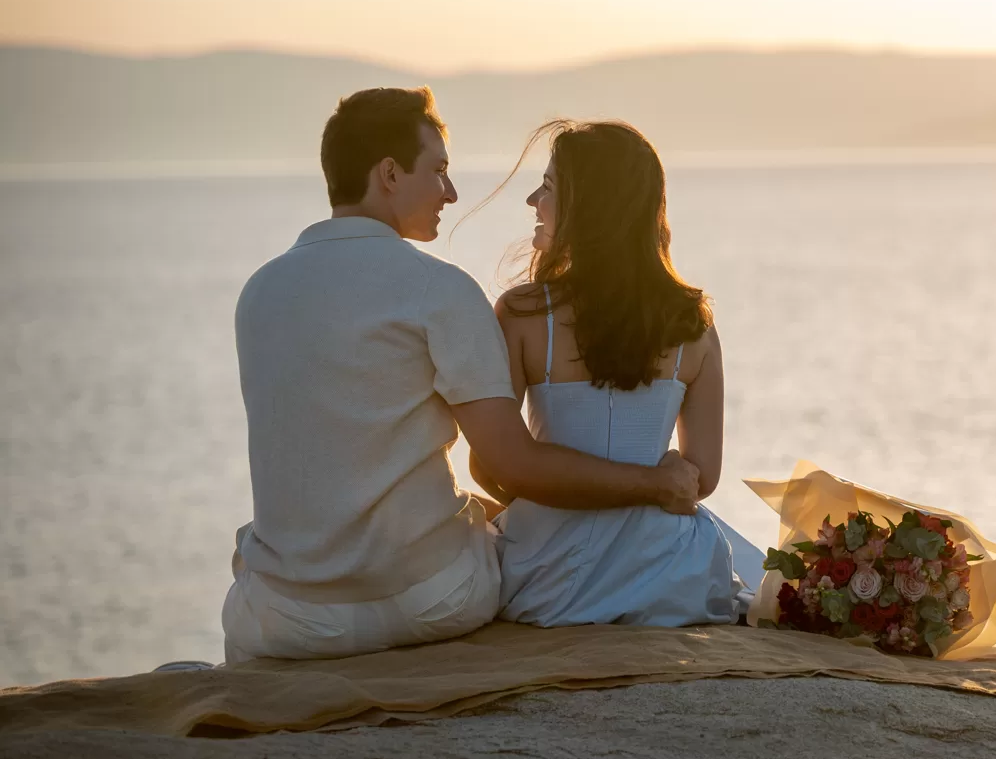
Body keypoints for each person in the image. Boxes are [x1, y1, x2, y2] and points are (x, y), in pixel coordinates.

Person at [222, 88, 702, 663]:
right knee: (492, 533)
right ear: (390, 174)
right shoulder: (440, 289)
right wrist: (654, 483)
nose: (451, 192)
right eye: (440, 171)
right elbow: (509, 464)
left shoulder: (260, 292)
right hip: (431, 605)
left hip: (287, 620)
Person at [474, 120, 762, 626]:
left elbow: (489, 466)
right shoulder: (693, 324)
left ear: (587, 208)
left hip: (548, 581)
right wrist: (647, 486)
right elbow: (701, 477)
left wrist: (556, 495)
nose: (532, 202)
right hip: (671, 576)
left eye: (546, 187)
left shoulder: (520, 314)